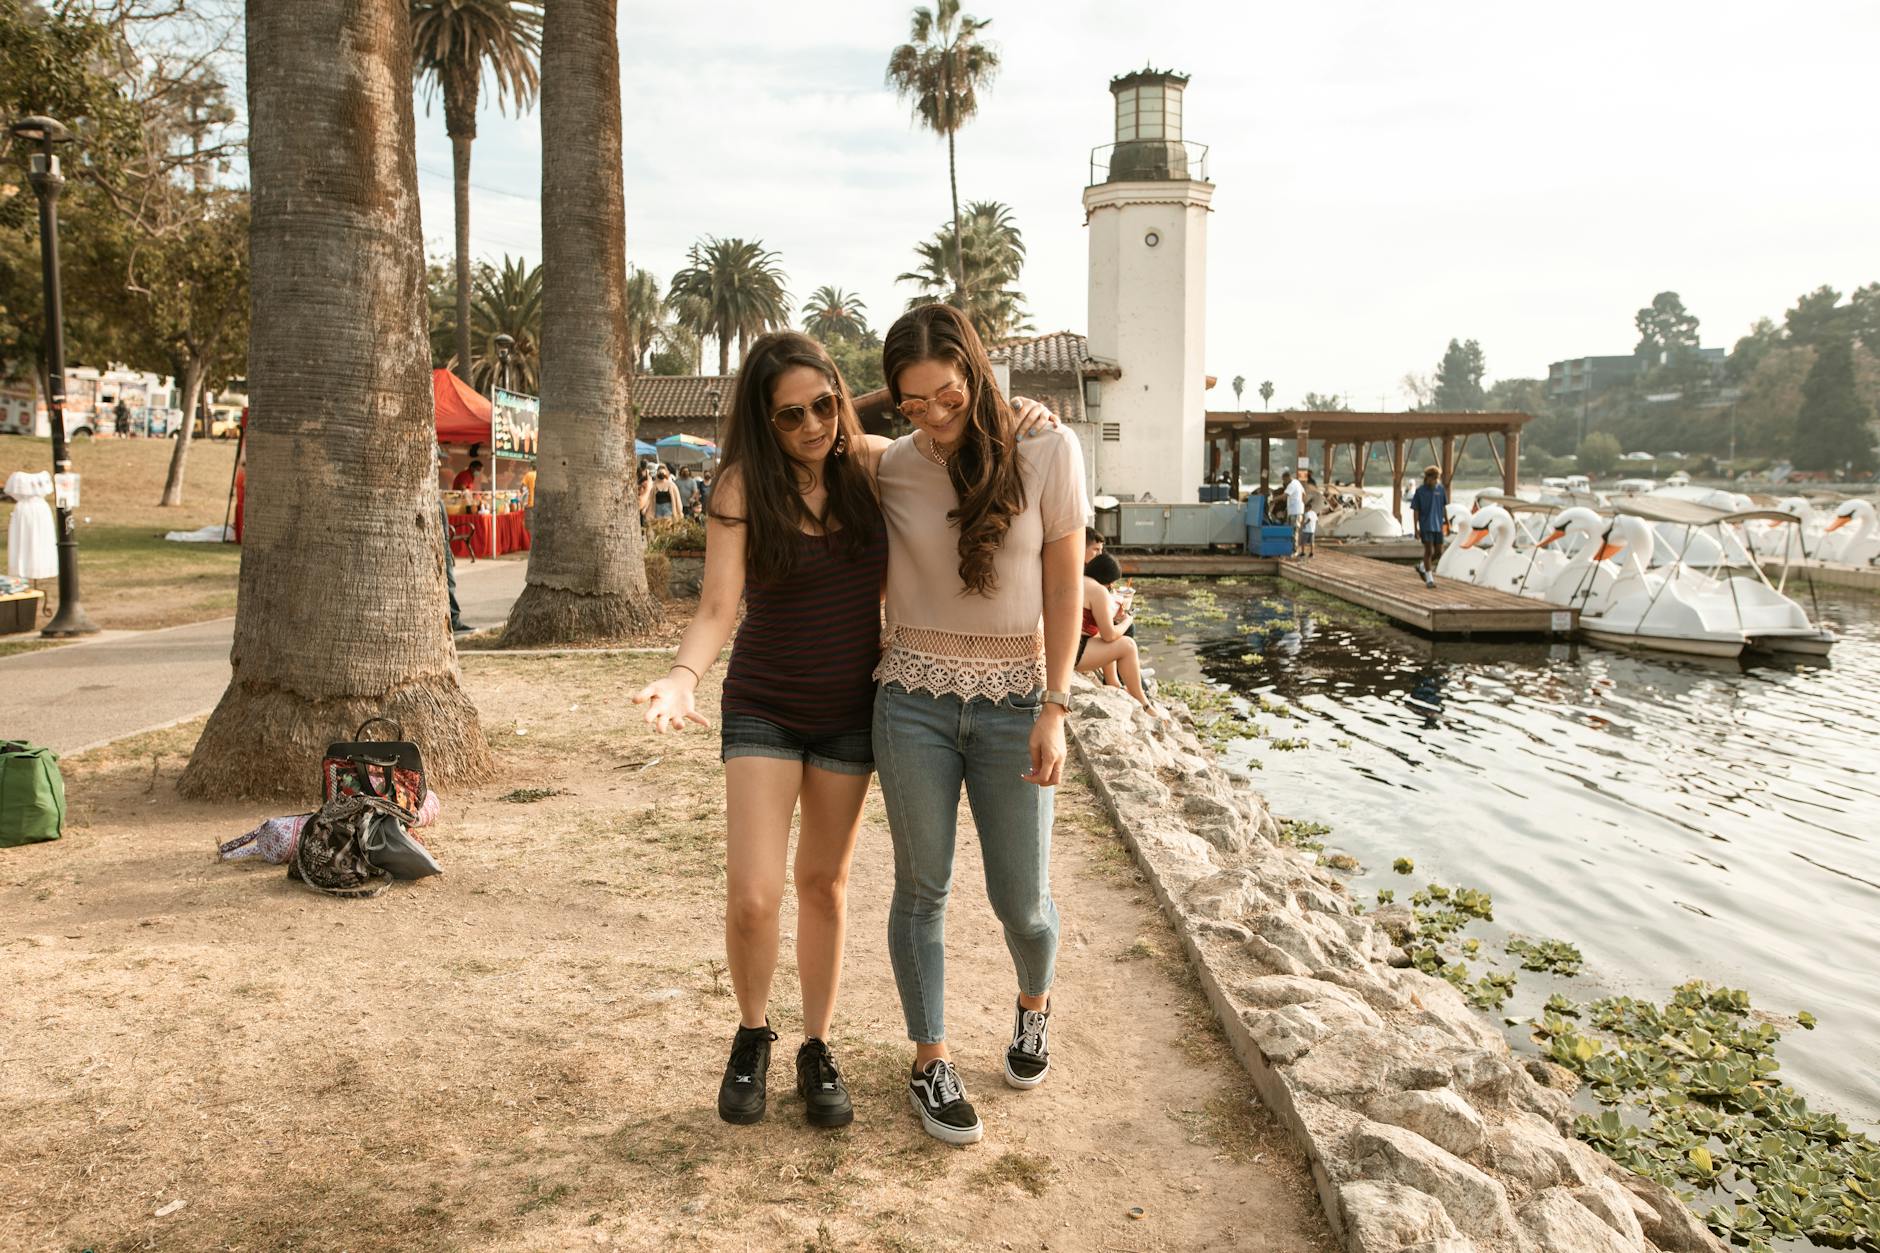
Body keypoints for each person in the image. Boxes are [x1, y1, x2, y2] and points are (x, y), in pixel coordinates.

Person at [631, 330, 1065, 1132]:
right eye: (789, 415)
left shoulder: (872, 465)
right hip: (763, 702)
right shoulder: (741, 485)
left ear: (839, 397)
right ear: (764, 420)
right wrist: (683, 676)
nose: (811, 425)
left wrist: (1016, 412)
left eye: (824, 405)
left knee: (823, 884)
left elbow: (950, 429)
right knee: (754, 894)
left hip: (849, 710)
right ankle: (753, 1034)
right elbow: (718, 607)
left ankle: (817, 1046)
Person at [873, 302, 1087, 1146]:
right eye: (912, 401)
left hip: (1017, 701)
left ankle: (1034, 1004)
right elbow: (810, 438)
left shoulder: (1048, 449)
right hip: (912, 700)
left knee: (1021, 901)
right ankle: (930, 1060)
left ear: (976, 373)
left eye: (949, 396)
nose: (933, 415)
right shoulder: (892, 466)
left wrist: (1056, 706)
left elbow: (1065, 585)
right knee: (921, 888)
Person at [1076, 552, 1158, 712]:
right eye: (1112, 584)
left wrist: (1111, 615)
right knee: (1128, 645)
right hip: (1074, 652)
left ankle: (1114, 683)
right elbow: (1110, 635)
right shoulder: (1098, 590)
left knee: (1109, 638)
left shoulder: (1080, 580)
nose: (1111, 587)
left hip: (1062, 646)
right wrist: (1128, 620)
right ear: (1107, 579)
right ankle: (1143, 702)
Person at [1410, 465, 1447, 588]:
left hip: (1438, 526)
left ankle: (1422, 566)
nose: (1436, 481)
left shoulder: (1440, 489)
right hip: (1426, 525)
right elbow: (1416, 511)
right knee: (1429, 551)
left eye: (1437, 478)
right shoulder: (1420, 491)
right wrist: (1416, 529)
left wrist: (1447, 522)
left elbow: (1443, 507)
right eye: (1434, 478)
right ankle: (1429, 580)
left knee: (1439, 552)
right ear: (1428, 478)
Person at [1284, 469, 1306, 557]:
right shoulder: (1297, 482)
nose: (1284, 482)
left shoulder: (1291, 485)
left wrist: (1273, 500)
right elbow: (1304, 494)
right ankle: (1292, 549)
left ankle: (1295, 551)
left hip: (1295, 512)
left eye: (1284, 480)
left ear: (1287, 478)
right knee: (1292, 531)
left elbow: (1284, 496)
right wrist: (1301, 504)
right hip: (1296, 511)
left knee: (1294, 531)